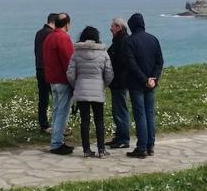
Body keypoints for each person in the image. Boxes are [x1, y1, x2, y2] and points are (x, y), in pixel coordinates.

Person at [67, 26, 114, 158]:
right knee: (99, 121)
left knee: (85, 121)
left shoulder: (76, 53)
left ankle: (86, 150)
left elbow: (70, 74)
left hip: (81, 90)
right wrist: (103, 85)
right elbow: (109, 73)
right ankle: (101, 150)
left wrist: (77, 84)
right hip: (98, 90)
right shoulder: (103, 53)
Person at [125, 13, 163, 158]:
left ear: (132, 26)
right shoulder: (153, 39)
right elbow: (160, 62)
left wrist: (144, 79)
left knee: (140, 115)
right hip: (151, 84)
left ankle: (141, 148)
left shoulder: (130, 41)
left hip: (137, 84)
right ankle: (150, 146)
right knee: (150, 114)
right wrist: (153, 79)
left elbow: (132, 64)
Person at [42, 13, 75, 155]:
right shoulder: (63, 38)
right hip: (62, 80)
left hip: (52, 80)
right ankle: (56, 143)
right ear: (67, 24)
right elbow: (69, 62)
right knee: (62, 112)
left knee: (56, 111)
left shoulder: (49, 37)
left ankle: (56, 140)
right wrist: (73, 81)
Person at [105, 18, 130, 149]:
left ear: (119, 27)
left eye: (113, 26)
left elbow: (121, 63)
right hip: (117, 81)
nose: (110, 28)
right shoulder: (119, 41)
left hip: (120, 82)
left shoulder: (123, 42)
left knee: (120, 110)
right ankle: (119, 137)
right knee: (117, 110)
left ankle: (124, 139)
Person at [34, 13, 59, 134]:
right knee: (57, 97)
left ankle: (43, 124)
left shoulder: (39, 33)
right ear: (55, 22)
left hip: (39, 68)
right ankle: (57, 125)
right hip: (49, 69)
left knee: (43, 98)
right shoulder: (51, 34)